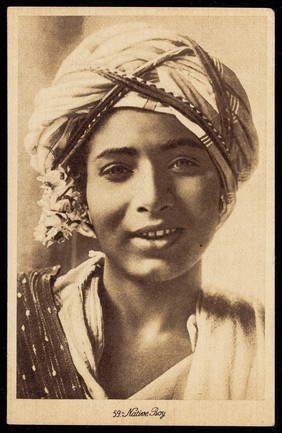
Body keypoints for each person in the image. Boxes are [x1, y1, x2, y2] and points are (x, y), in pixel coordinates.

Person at [17, 23, 264, 400]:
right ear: (79, 194)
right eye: (117, 170)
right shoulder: (20, 319)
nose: (152, 197)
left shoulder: (263, 345)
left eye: (183, 163)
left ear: (223, 183)